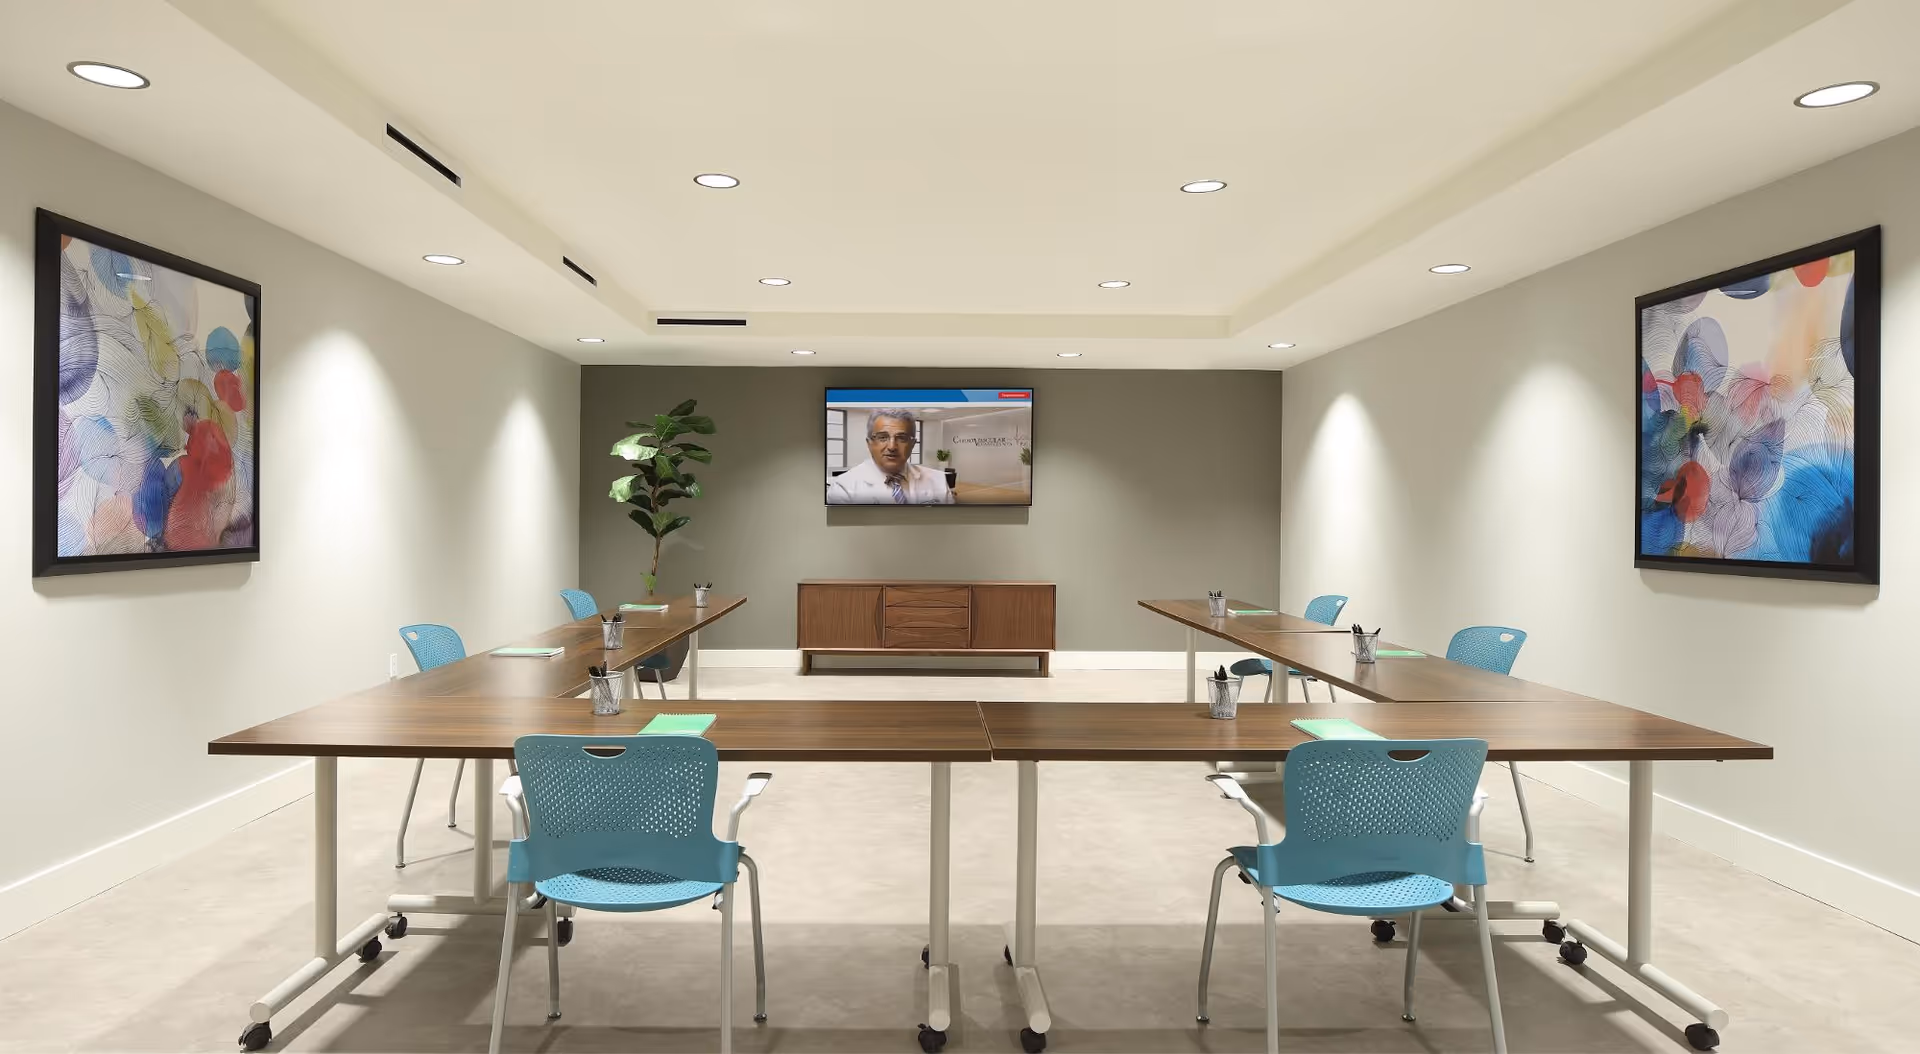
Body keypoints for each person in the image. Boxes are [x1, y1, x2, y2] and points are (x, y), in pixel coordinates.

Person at [827, 408, 955, 504]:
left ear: (912, 444)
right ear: (869, 443)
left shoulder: (938, 481)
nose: (892, 447)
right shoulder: (843, 488)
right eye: (882, 437)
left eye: (902, 438)